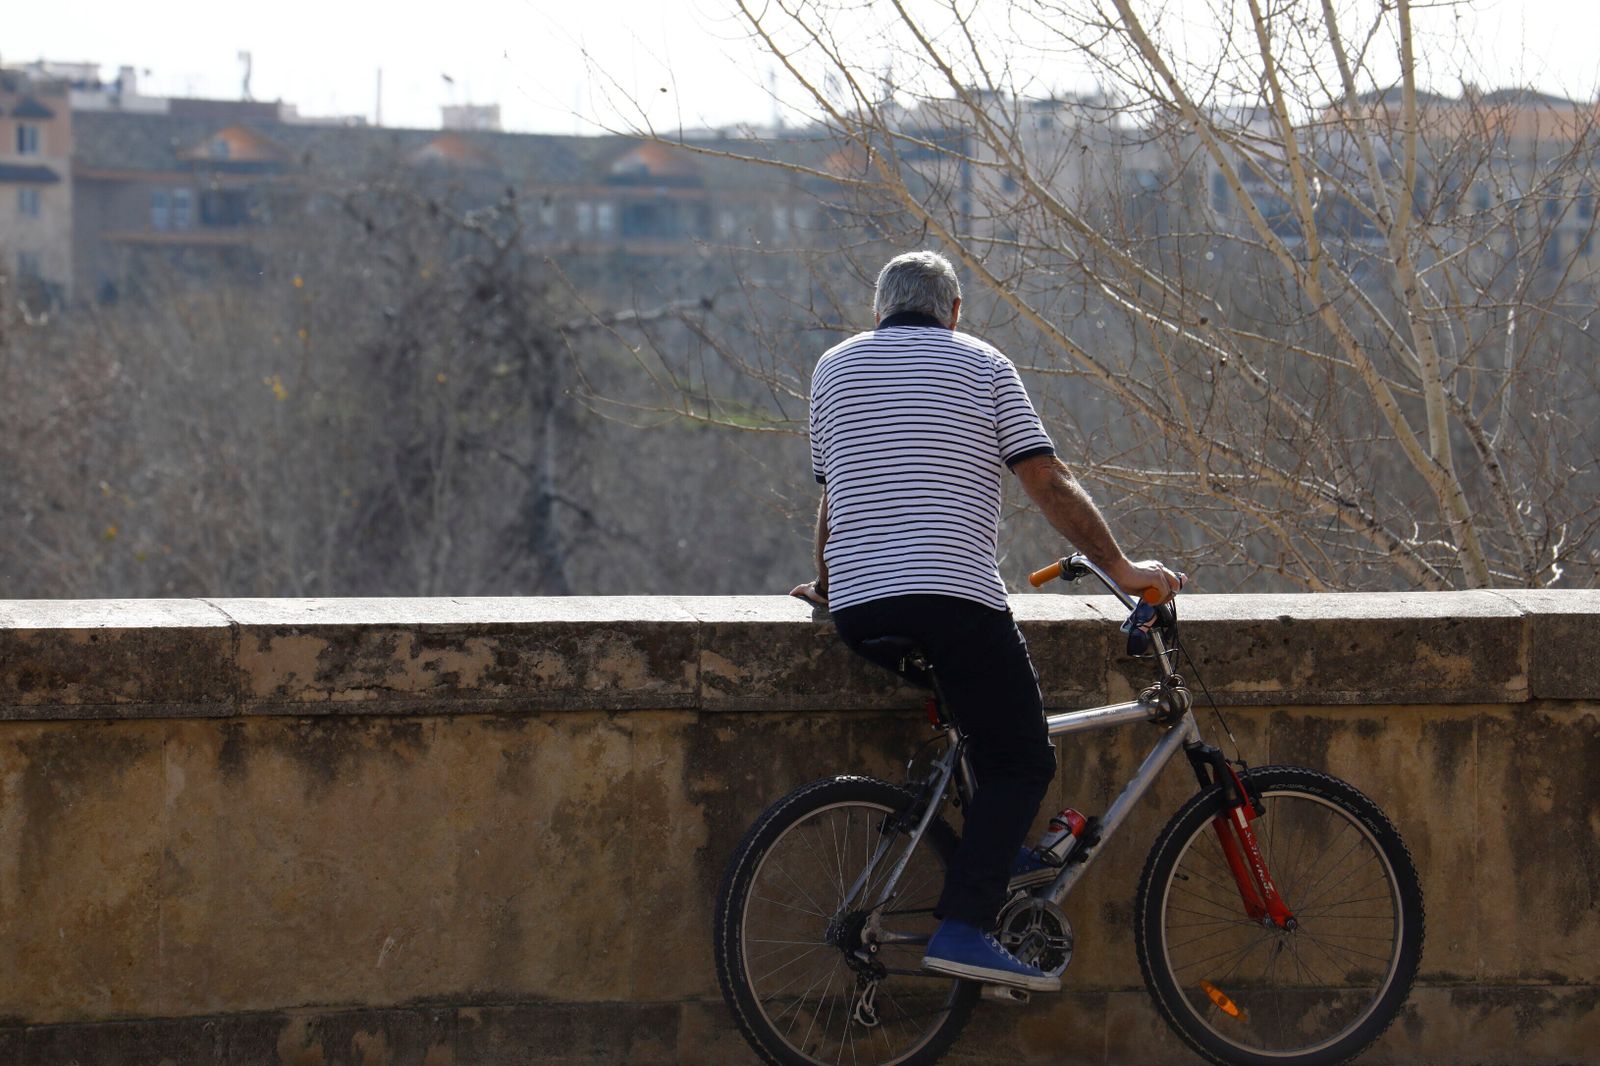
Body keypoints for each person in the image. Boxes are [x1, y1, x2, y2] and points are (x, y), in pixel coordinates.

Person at [792, 250, 1184, 992]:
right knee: (1023, 758)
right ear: (955, 310)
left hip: (860, 607)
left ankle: (995, 866)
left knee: (981, 738)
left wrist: (827, 582)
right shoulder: (984, 364)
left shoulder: (834, 369)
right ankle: (965, 927)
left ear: (879, 312)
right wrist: (1125, 569)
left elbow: (835, 495)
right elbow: (1046, 479)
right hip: (951, 599)